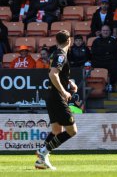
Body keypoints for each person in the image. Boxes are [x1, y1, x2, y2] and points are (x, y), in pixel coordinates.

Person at [35, 30, 78, 170]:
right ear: (69, 41)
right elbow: (53, 74)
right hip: (56, 96)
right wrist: (64, 91)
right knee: (72, 131)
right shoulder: (61, 54)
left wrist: (69, 82)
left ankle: (41, 160)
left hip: (50, 95)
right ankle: (43, 152)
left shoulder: (55, 53)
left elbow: (57, 74)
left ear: (56, 41)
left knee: (56, 130)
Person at [92, 24, 117, 92]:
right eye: (104, 30)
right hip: (99, 61)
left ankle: (111, 84)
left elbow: (115, 50)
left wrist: (103, 50)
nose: (105, 32)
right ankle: (98, 85)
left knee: (115, 66)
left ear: (110, 31)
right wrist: (107, 51)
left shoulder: (114, 39)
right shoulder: (96, 40)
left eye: (107, 30)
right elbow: (94, 51)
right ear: (101, 31)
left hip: (111, 60)